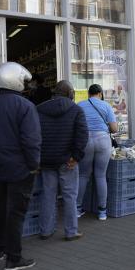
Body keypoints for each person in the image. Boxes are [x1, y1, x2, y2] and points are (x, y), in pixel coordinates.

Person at [0, 62, 41, 270]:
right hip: (21, 168)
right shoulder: (25, 107)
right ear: (15, 80)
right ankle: (14, 258)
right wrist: (33, 166)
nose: (25, 84)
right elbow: (31, 141)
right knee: (16, 212)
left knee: (0, 208)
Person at [36, 80, 88, 241]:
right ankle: (71, 231)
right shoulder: (76, 110)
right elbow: (82, 135)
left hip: (46, 160)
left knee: (47, 195)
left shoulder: (39, 109)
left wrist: (37, 157)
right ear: (70, 93)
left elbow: (33, 135)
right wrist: (76, 156)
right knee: (70, 195)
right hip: (68, 160)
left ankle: (45, 230)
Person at [76, 84, 117, 221]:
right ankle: (102, 212)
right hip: (103, 140)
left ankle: (77, 209)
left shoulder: (80, 105)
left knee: (83, 175)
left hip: (86, 140)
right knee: (100, 175)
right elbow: (114, 128)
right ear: (100, 93)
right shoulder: (106, 106)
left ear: (89, 94)